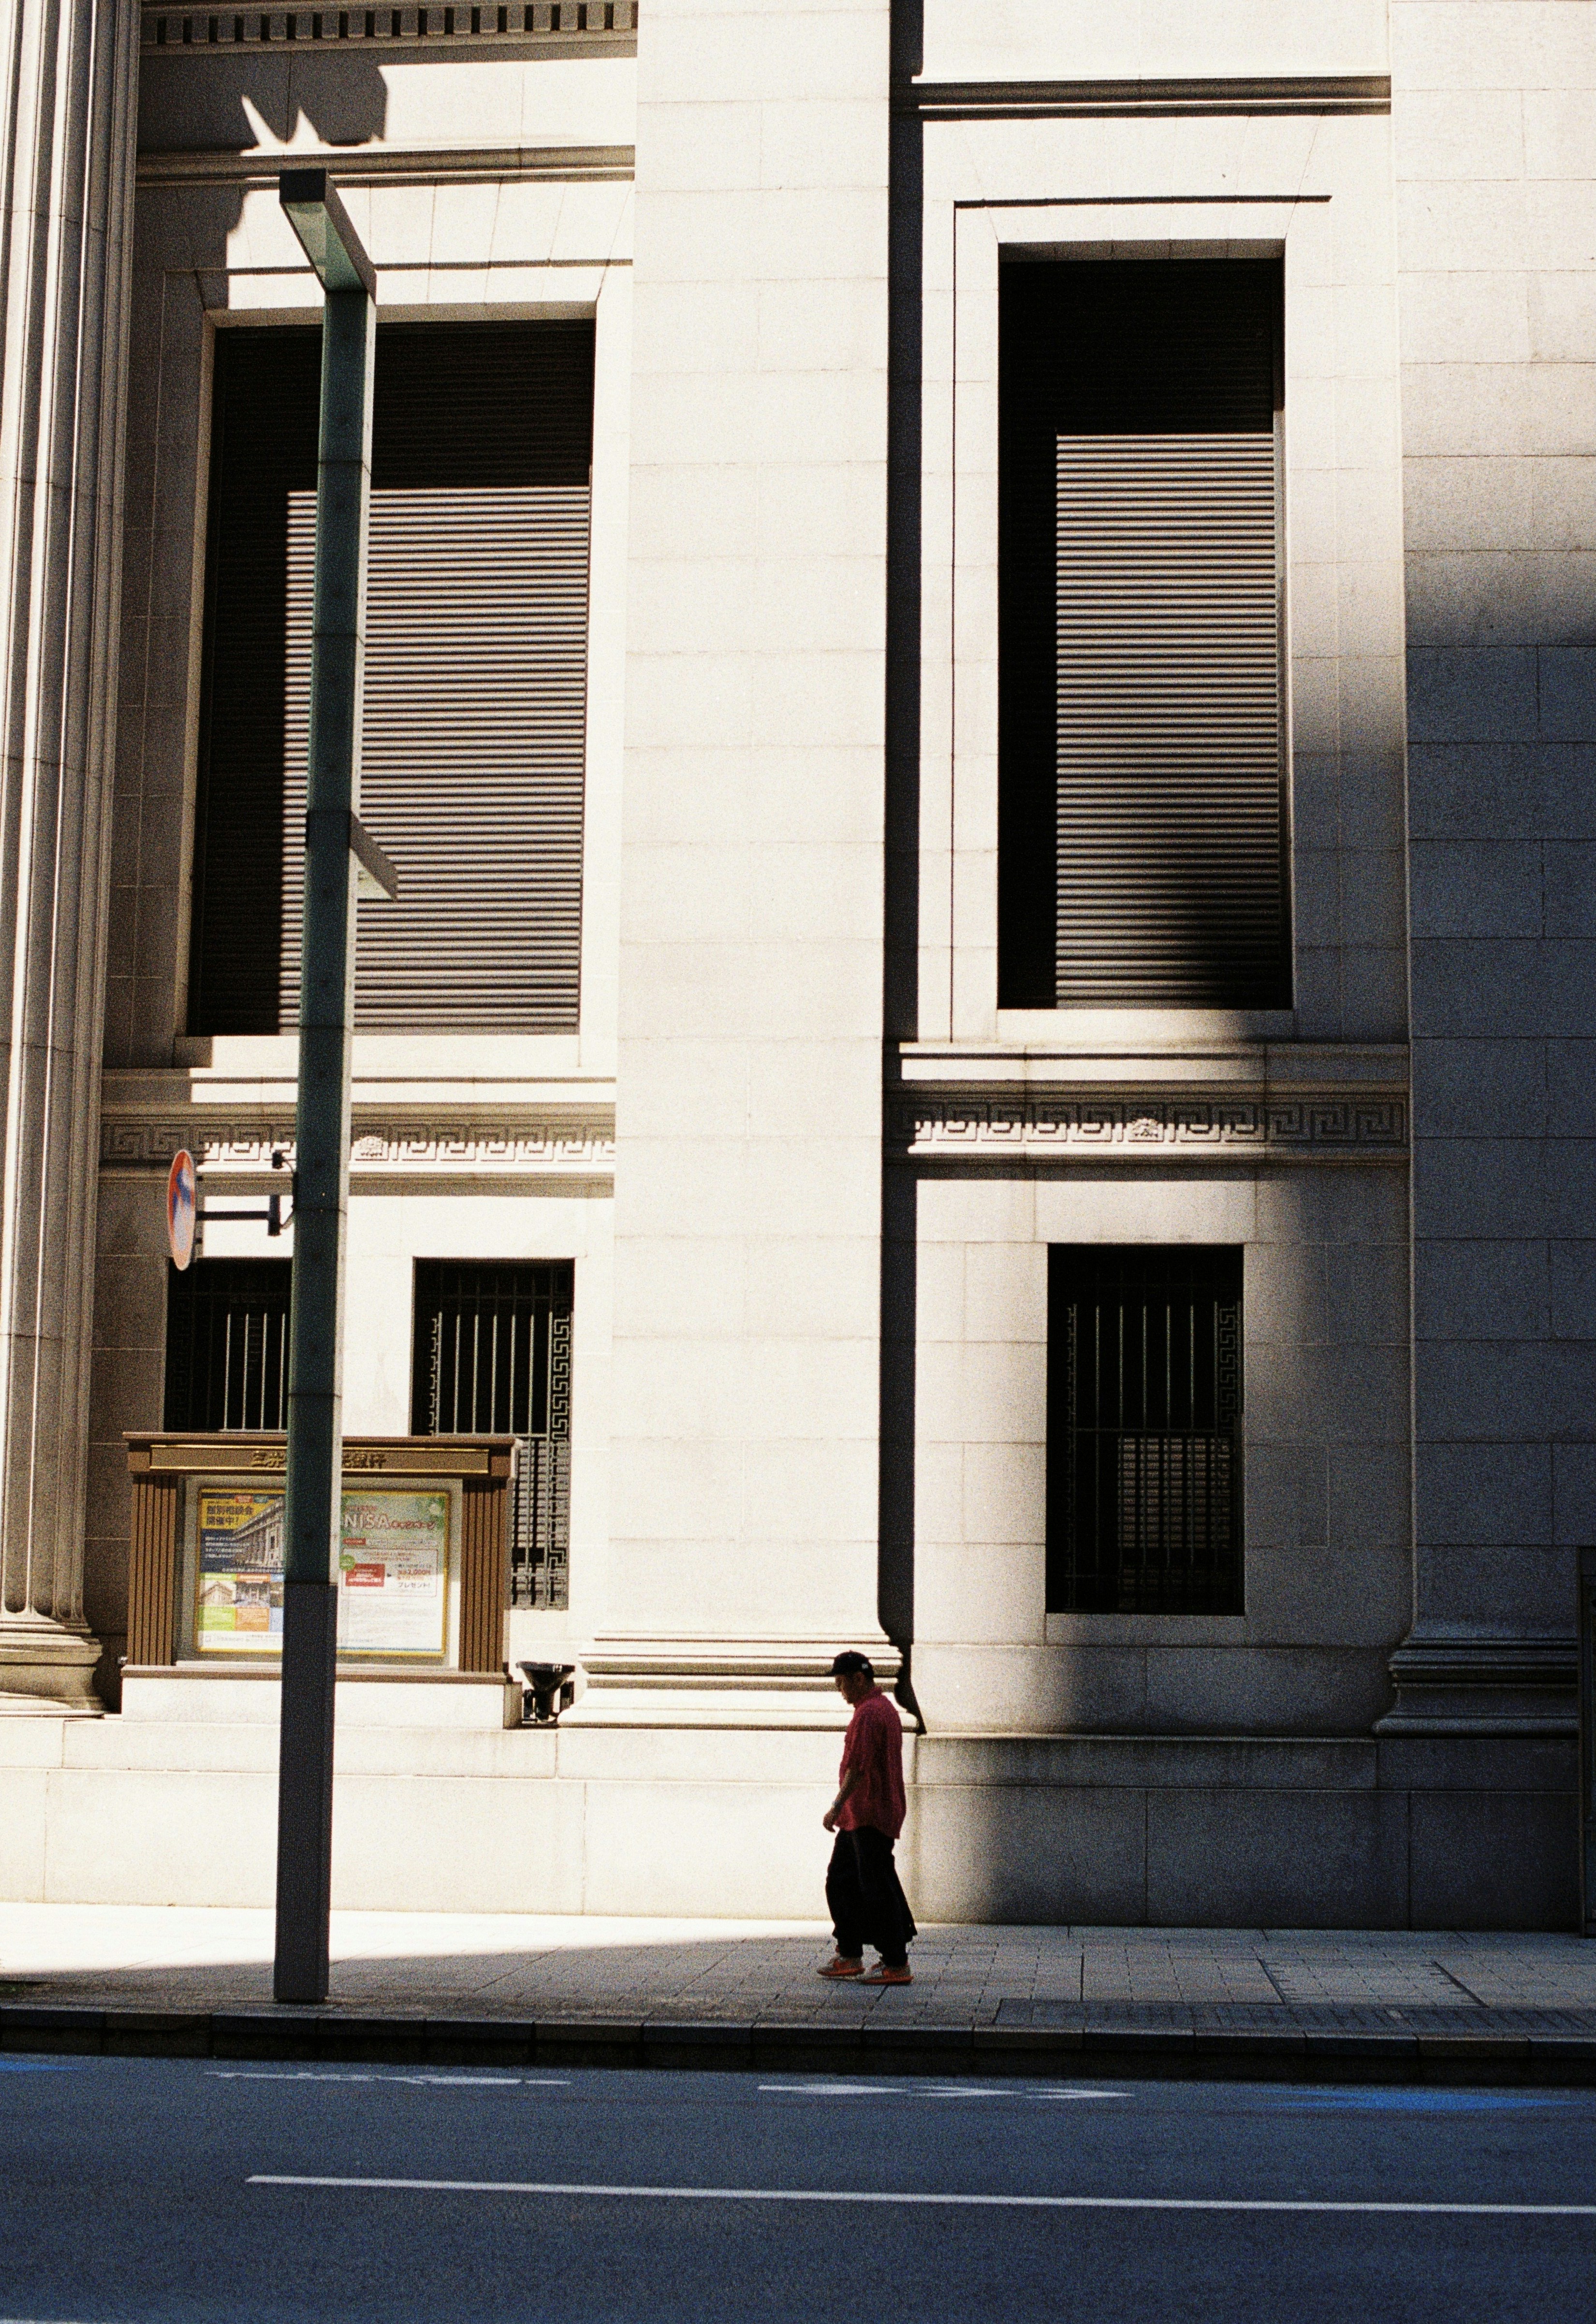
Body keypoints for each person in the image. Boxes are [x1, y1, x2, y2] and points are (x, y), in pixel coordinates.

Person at [817, 1650, 916, 1986]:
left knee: (874, 1888)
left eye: (842, 1682)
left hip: (867, 1814)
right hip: (860, 1816)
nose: (839, 1690)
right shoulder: (881, 1709)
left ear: (859, 1679)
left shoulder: (870, 1714)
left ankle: (895, 1962)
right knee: (844, 1881)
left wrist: (835, 1806)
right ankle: (850, 1954)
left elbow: (857, 1768)